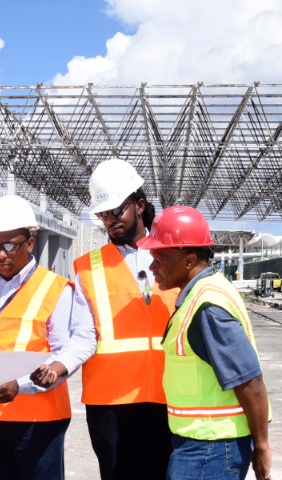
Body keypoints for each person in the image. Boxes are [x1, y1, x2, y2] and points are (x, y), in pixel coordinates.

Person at [0, 194, 96, 480]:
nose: (1, 254)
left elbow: (64, 352)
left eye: (10, 246)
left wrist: (20, 385)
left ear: (30, 243)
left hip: (38, 423)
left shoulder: (55, 289)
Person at [138, 206, 272, 480]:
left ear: (188, 260)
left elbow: (250, 381)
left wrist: (261, 446)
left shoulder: (207, 307)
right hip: (205, 442)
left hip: (210, 446)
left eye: (159, 258)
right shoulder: (201, 294)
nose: (151, 267)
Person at [71, 158, 178, 480]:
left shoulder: (172, 257)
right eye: (103, 214)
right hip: (110, 404)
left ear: (140, 205)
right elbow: (80, 333)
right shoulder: (85, 267)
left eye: (117, 211)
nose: (110, 220)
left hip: (168, 395)